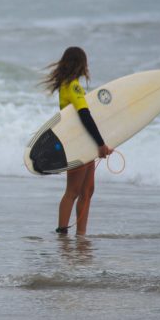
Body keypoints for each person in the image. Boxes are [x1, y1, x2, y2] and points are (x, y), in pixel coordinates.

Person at [44, 47, 112, 236]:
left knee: (88, 190)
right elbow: (84, 115)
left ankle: (81, 234)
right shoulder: (72, 86)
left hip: (84, 142)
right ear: (80, 64)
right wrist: (100, 143)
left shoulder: (67, 85)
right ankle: (62, 232)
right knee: (73, 191)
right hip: (77, 144)